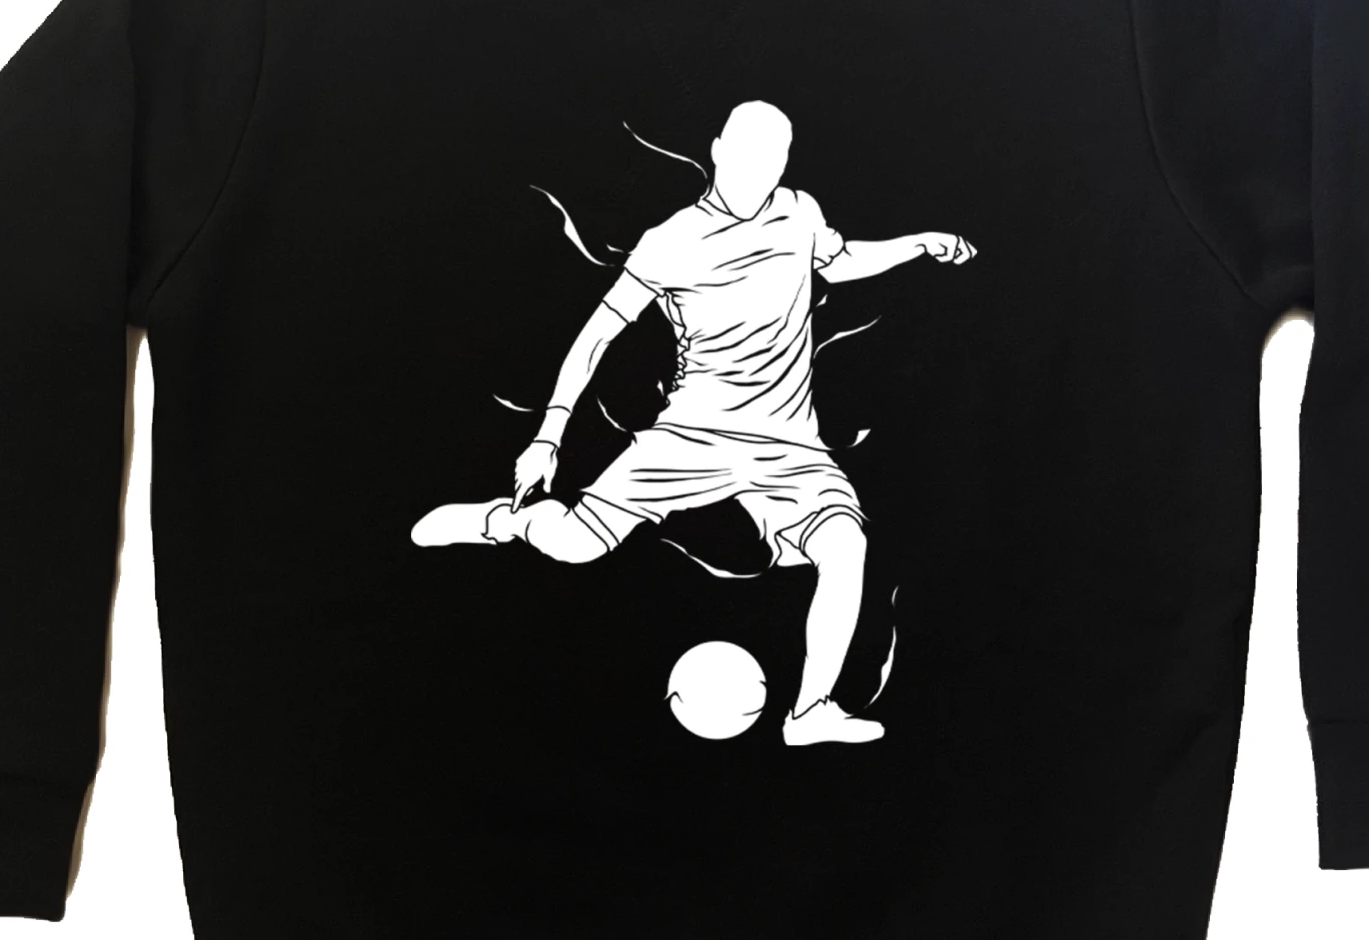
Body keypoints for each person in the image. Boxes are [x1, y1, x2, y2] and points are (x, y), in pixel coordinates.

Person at [413, 100, 975, 744]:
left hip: (788, 442)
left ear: (785, 162)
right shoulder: (672, 241)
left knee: (846, 545)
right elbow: (596, 338)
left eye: (774, 157)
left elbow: (839, 260)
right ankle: (504, 522)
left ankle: (810, 711)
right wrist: (548, 437)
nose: (759, 169)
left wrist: (918, 245)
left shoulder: (800, 213)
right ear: (717, 150)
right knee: (575, 545)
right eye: (746, 153)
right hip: (691, 436)